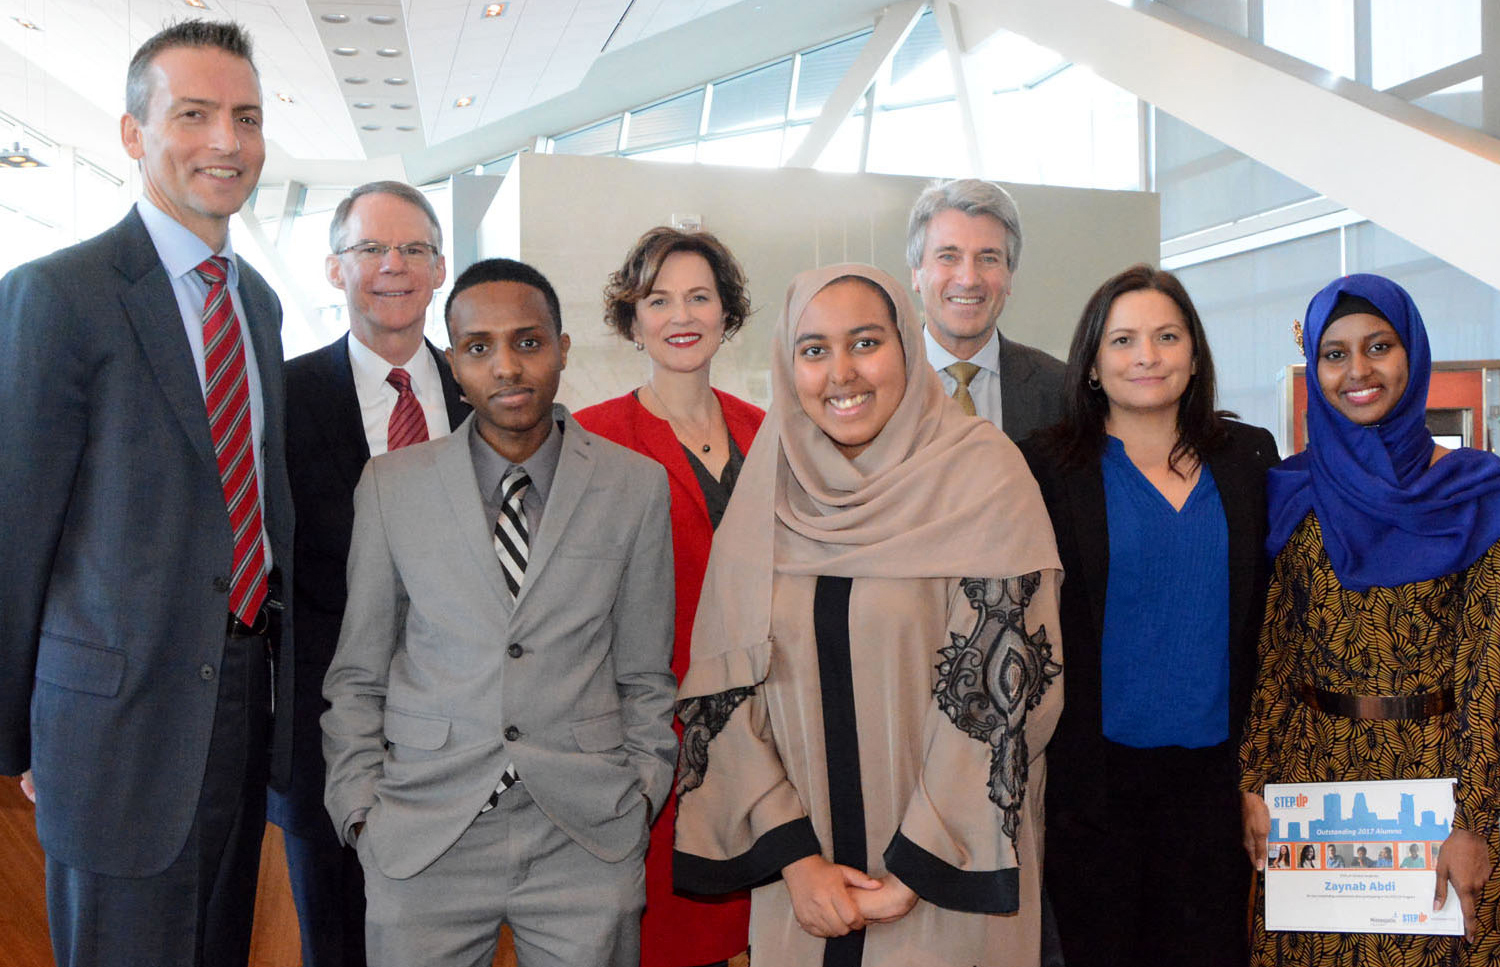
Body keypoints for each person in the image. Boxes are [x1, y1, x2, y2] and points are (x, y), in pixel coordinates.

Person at [0, 20, 294, 967]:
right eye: (194, 114)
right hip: (114, 731)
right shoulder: (58, 294)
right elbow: (15, 528)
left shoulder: (257, 301)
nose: (226, 142)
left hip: (243, 707)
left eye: (245, 118)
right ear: (134, 134)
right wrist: (18, 734)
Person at [673, 263, 1064, 966]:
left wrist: (912, 872)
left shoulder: (982, 474)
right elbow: (725, 686)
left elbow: (1002, 691)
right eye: (813, 349)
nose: (841, 373)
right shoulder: (770, 487)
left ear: (908, 347)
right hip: (808, 896)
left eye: (865, 342)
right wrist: (795, 857)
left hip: (951, 879)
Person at [321, 257, 676, 967]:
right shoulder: (394, 487)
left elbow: (645, 673)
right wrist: (361, 810)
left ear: (563, 348)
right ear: (453, 364)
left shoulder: (634, 486)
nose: (507, 366)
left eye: (529, 341)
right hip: (424, 835)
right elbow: (358, 672)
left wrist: (639, 794)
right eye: (479, 348)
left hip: (584, 834)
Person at [1017, 264, 1277, 967]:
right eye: (1124, 339)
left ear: (1194, 354)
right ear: (1094, 363)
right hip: (1092, 786)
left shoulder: (1249, 457)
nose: (1147, 355)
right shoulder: (1046, 464)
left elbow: (1271, 620)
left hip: (1214, 788)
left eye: (1167, 336)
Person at [1239, 273, 1500, 963]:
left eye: (1378, 346)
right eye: (1335, 353)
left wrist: (1477, 821)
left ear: (1411, 353)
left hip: (1441, 787)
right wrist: (1251, 783)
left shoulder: (1475, 492)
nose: (1358, 371)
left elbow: (1491, 671)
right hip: (1310, 792)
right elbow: (1276, 657)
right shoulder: (1293, 492)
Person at [268, 180, 469, 967]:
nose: (394, 265)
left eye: (414, 248)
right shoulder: (278, 400)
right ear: (332, 267)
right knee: (339, 950)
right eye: (371, 248)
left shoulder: (487, 396)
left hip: (469, 744)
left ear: (440, 266)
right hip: (327, 745)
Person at [575, 226, 759, 967]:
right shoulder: (593, 440)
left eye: (699, 297)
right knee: (665, 940)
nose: (681, 315)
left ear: (725, 312)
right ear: (633, 317)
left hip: (764, 731)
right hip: (653, 742)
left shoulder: (768, 432)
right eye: (659, 299)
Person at [907, 178, 1064, 440]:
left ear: (1010, 275)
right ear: (916, 273)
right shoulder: (879, 385)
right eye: (948, 257)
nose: (968, 279)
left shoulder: (1061, 391)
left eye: (988, 258)